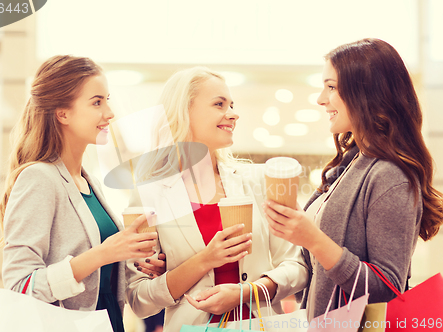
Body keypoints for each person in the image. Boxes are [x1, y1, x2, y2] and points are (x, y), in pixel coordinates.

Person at [263, 38, 443, 320]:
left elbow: (387, 289)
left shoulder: (389, 174)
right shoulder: (352, 163)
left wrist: (314, 240)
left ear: (367, 93)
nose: (321, 98)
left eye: (331, 87)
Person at [125, 67, 308, 332]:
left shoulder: (258, 181)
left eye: (231, 105)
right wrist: (205, 259)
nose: (233, 114)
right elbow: (139, 299)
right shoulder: (149, 194)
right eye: (219, 104)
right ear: (184, 112)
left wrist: (248, 292)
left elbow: (298, 264)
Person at [0, 55, 162, 332]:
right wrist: (102, 254)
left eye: (107, 100)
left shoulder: (89, 182)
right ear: (63, 113)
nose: (109, 113)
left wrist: (138, 263)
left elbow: (104, 272)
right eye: (97, 102)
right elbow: (19, 285)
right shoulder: (39, 178)